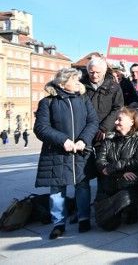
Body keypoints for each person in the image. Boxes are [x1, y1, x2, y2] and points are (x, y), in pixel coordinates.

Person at [34, 68, 100, 239]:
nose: (79, 83)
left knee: (82, 185)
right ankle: (59, 223)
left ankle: (83, 217)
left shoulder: (84, 99)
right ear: (62, 83)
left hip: (80, 151)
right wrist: (62, 140)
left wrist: (83, 140)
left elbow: (93, 121)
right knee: (57, 189)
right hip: (57, 153)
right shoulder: (47, 102)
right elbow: (41, 128)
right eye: (74, 80)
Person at [95, 107, 138, 228]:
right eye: (116, 119)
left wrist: (115, 166)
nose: (116, 122)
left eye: (119, 119)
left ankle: (130, 209)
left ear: (132, 122)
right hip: (110, 181)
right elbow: (100, 163)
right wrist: (119, 173)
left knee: (128, 187)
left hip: (129, 183)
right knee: (108, 226)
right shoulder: (108, 140)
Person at [81, 56, 125, 143]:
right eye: (91, 72)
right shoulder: (80, 86)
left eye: (98, 72)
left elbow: (118, 108)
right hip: (84, 130)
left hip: (106, 132)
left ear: (104, 72)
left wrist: (104, 128)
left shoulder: (114, 86)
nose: (94, 75)